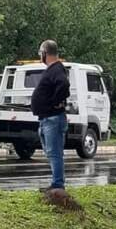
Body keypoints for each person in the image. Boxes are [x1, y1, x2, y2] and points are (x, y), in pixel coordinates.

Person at [31, 40, 70, 192]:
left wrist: (54, 102)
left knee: (54, 153)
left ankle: (57, 185)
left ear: (45, 53)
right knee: (51, 151)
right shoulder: (54, 69)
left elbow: (64, 85)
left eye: (41, 53)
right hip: (47, 117)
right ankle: (56, 183)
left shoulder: (56, 69)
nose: (40, 56)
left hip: (53, 118)